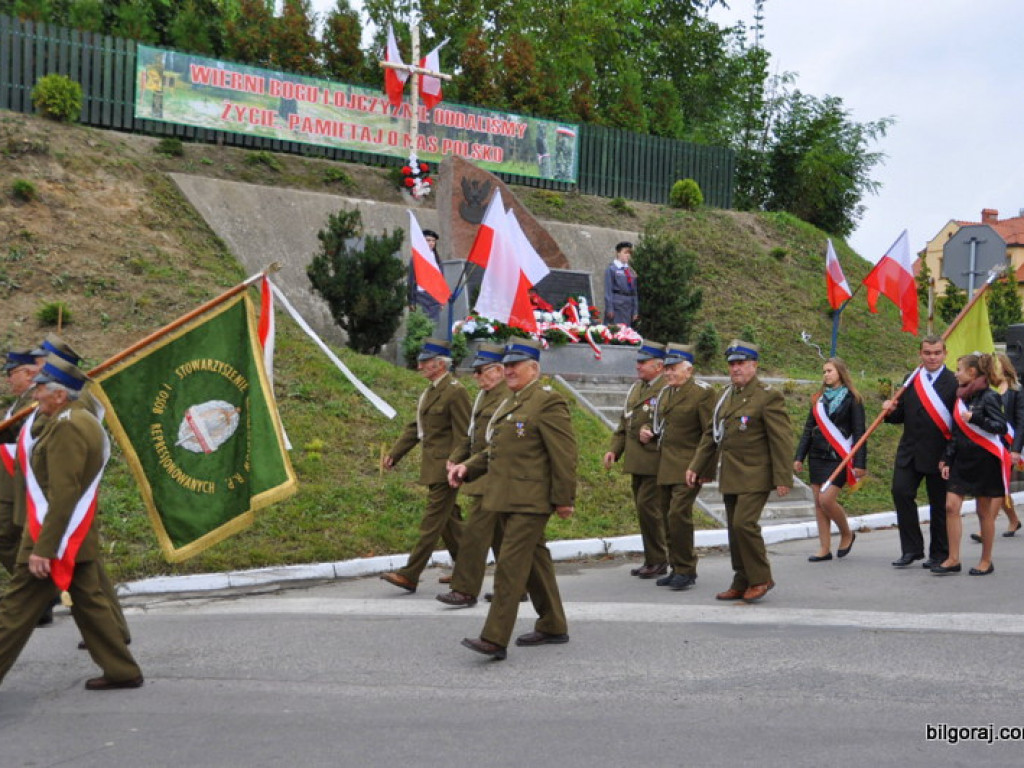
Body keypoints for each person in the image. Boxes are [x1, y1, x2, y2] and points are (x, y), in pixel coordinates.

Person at [0, 356, 143, 690]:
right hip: (72, 536)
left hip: (53, 539)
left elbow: (63, 494)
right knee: (90, 602)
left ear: (60, 395)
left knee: (14, 612)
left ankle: (122, 670)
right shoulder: (79, 418)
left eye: (41, 390)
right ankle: (122, 670)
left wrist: (42, 549)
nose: (35, 396)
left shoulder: (67, 427)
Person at [449, 338, 577, 660]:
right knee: (536, 563)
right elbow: (495, 450)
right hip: (505, 496)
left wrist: (564, 499)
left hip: (531, 500)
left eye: (514, 365)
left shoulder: (547, 402)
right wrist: (467, 467)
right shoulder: (510, 402)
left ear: (533, 368)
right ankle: (553, 623)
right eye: (505, 365)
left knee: (509, 565)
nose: (508, 371)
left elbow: (564, 455)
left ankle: (494, 638)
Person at [687, 340, 793, 604]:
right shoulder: (726, 394)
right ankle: (741, 579)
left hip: (757, 472)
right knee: (734, 530)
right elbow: (712, 434)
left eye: (741, 363)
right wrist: (697, 465)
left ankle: (761, 578)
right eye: (732, 364)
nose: (735, 368)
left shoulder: (768, 396)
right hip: (732, 473)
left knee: (744, 524)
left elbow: (781, 439)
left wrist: (783, 477)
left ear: (754, 365)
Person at [380, 338, 469, 592]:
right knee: (449, 520)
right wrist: (396, 454)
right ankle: (466, 570)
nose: (420, 367)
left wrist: (457, 463)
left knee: (431, 523)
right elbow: (416, 428)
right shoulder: (430, 391)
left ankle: (410, 574)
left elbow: (465, 433)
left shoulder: (455, 391)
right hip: (433, 467)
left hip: (447, 469)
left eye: (425, 363)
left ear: (440, 364)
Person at [437, 343, 509, 608]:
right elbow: (472, 435)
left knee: (475, 536)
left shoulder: (507, 397)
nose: (476, 377)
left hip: (496, 476)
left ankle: (465, 590)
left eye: (481, 371)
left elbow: (498, 443)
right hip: (482, 473)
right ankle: (519, 585)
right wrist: (456, 457)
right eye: (474, 371)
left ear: (498, 370)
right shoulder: (483, 396)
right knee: (503, 537)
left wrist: (468, 466)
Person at [642, 343, 714, 590]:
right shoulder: (666, 393)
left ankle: (686, 568)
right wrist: (649, 432)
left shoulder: (702, 393)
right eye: (667, 369)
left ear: (689, 370)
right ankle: (676, 566)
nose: (669, 373)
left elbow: (710, 433)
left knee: (678, 514)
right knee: (665, 515)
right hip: (665, 465)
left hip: (689, 466)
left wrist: (705, 470)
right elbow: (664, 426)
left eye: (674, 369)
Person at [883, 335, 956, 569]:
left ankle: (939, 553)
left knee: (939, 504)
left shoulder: (954, 382)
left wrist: (950, 456)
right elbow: (899, 416)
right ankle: (912, 549)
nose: (932, 357)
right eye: (927, 353)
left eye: (936, 353)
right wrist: (889, 410)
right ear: (920, 353)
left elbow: (957, 425)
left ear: (945, 353)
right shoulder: (911, 379)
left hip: (939, 454)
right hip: (910, 451)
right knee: (901, 492)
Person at [934, 353, 1007, 576]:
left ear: (972, 372)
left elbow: (1000, 427)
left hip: (984, 461)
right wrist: (947, 458)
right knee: (951, 506)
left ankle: (986, 560)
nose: (955, 374)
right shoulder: (961, 398)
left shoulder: (989, 397)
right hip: (962, 461)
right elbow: (956, 433)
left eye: (959, 369)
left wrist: (975, 419)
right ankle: (953, 558)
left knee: (983, 512)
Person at [604, 341, 670, 578]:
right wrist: (615, 450)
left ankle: (659, 559)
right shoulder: (637, 388)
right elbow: (625, 422)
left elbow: (675, 424)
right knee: (644, 511)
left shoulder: (666, 388)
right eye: (638, 362)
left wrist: (655, 433)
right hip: (637, 461)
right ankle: (652, 558)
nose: (638, 366)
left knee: (649, 509)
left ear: (659, 365)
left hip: (655, 461)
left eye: (643, 362)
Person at [794, 357, 866, 562]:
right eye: (824, 371)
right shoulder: (819, 399)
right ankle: (824, 548)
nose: (826, 374)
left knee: (827, 499)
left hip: (839, 457)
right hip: (817, 456)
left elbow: (860, 433)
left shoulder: (853, 399)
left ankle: (847, 533)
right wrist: (799, 456)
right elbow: (809, 429)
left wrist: (860, 463)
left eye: (830, 371)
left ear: (840, 373)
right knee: (819, 503)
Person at [971, 353, 1023, 541]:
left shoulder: (1017, 390)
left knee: (999, 485)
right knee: (997, 486)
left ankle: (986, 527)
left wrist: (1016, 449)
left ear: (1005, 367)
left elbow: (1021, 421)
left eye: (996, 365)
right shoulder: (988, 391)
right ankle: (1014, 520)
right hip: (989, 442)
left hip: (1008, 445)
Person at [0, 350, 40, 577]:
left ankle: (32, 588)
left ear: (28, 373)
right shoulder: (20, 403)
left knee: (8, 535)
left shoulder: (34, 401)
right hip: (12, 482)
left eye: (11, 373)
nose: (8, 379)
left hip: (22, 482)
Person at [408, 229, 444, 322]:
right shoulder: (416, 259)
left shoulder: (437, 259)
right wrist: (411, 301)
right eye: (428, 240)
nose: (431, 243)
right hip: (420, 297)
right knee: (421, 326)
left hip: (434, 298)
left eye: (433, 241)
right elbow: (411, 280)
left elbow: (441, 281)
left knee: (433, 326)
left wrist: (441, 300)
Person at [603, 241, 639, 327]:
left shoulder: (630, 271)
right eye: (625, 252)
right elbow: (608, 291)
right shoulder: (612, 269)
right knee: (615, 332)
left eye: (629, 253)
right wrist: (609, 308)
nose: (628, 255)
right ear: (618, 253)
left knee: (626, 333)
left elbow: (634, 292)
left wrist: (635, 311)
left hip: (628, 307)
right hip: (617, 307)